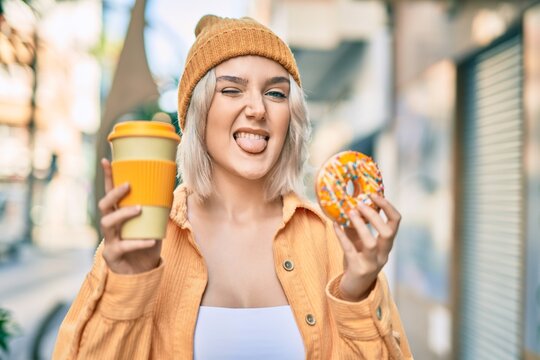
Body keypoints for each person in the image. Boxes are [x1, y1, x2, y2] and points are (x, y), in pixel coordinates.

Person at [53, 15, 413, 360]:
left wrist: (356, 291)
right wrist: (129, 285)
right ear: (197, 112)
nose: (257, 108)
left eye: (275, 93)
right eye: (231, 89)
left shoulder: (333, 242)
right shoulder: (141, 239)